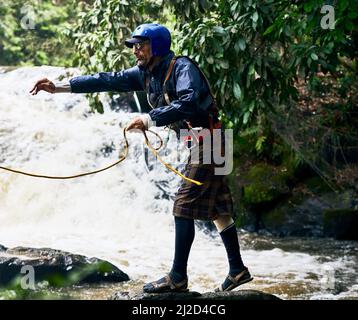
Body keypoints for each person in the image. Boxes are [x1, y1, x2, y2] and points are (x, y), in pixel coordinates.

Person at [30, 23, 253, 293]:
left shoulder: (182, 68)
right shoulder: (145, 73)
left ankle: (177, 278)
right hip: (208, 142)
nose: (135, 50)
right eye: (134, 45)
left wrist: (149, 118)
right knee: (219, 211)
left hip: (212, 142)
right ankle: (238, 270)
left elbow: (190, 101)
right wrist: (60, 87)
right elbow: (107, 80)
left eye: (140, 44)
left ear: (157, 46)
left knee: (183, 206)